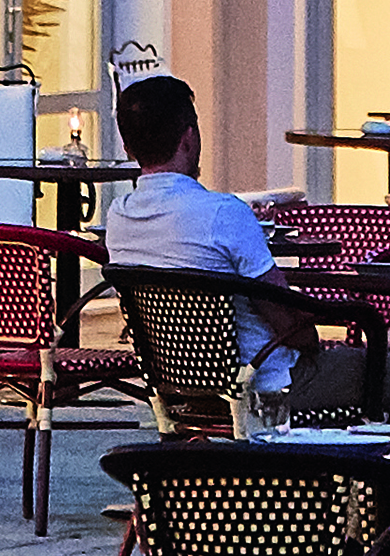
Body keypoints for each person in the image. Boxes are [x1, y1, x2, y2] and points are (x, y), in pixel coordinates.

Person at [96, 75, 340, 400]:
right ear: (189, 138)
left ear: (128, 148)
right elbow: (289, 322)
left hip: (177, 386)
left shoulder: (119, 217)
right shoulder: (225, 213)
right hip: (266, 383)